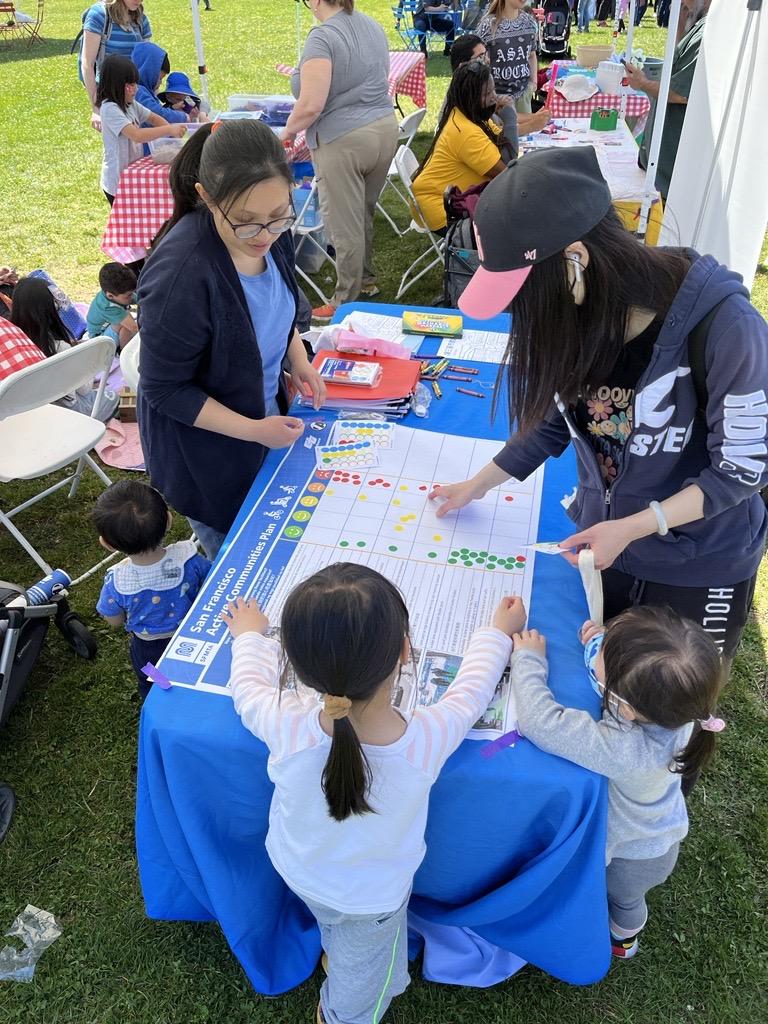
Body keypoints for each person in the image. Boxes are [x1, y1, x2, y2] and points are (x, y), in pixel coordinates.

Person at [430, 146, 768, 675]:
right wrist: (477, 484)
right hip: (608, 544)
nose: (524, 315)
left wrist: (638, 525)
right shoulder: (577, 313)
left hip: (698, 559)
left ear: (576, 259)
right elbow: (551, 421)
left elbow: (741, 469)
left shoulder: (725, 327)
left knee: (670, 698)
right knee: (609, 679)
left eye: (526, 295)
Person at [223, 563, 526, 1024]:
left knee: (337, 932)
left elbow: (247, 689)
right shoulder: (425, 737)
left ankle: (335, 954)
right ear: (407, 651)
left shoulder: (285, 721)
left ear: (294, 662)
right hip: (370, 904)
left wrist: (248, 636)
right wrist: (497, 635)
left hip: (296, 866)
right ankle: (339, 1015)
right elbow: (470, 692)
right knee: (364, 984)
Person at [137, 120, 326, 560]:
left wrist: (296, 360)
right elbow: (165, 389)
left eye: (279, 215)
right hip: (209, 458)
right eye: (245, 223)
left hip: (263, 424)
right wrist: (254, 430)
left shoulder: (270, 233)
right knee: (245, 562)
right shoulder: (180, 276)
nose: (264, 234)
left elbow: (279, 315)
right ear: (206, 197)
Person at [511, 605, 723, 958]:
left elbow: (541, 723)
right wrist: (602, 641)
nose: (598, 651)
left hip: (632, 859)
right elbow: (636, 677)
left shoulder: (624, 749)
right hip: (660, 834)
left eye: (602, 660)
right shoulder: (680, 707)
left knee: (623, 901)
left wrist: (528, 660)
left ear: (627, 709)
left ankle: (623, 940)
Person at [283, 0, 398, 320]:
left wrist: (288, 131)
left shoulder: (322, 37)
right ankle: (366, 280)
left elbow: (311, 105)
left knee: (343, 224)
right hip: (383, 129)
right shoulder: (372, 26)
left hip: (344, 138)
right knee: (362, 212)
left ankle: (345, 300)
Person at [93, 480, 211, 699]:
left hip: (148, 649)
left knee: (153, 678)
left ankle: (162, 695)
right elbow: (211, 581)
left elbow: (114, 620)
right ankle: (193, 692)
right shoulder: (189, 559)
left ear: (107, 544)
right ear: (168, 520)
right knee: (195, 668)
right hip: (193, 634)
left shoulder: (116, 581)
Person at [412, 61, 547, 233]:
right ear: (470, 96)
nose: (494, 97)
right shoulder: (465, 131)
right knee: (524, 209)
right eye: (487, 94)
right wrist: (510, 118)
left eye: (493, 90)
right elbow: (506, 172)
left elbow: (501, 140)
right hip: (443, 209)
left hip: (456, 198)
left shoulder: (469, 114)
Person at [626, 0, 711, 200]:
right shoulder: (697, 26)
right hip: (662, 166)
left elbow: (681, 94)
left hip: (673, 171)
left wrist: (643, 83)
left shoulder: (707, 33)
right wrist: (683, 19)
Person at [9, 277, 119, 420]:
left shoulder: (13, 342)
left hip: (32, 414)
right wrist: (88, 360)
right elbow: (84, 389)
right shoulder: (59, 347)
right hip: (70, 414)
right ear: (50, 309)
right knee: (113, 396)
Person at [97, 55, 186, 206]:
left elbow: (153, 118)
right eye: (129, 85)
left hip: (131, 173)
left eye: (135, 84)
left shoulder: (131, 104)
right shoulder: (110, 108)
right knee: (126, 219)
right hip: (116, 180)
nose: (135, 89)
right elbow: (136, 135)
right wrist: (169, 129)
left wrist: (171, 137)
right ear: (114, 85)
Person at [80, 0, 152, 132]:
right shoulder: (99, 15)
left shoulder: (142, 20)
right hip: (110, 97)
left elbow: (146, 64)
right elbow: (87, 64)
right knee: (119, 149)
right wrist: (96, 108)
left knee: (139, 149)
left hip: (136, 97)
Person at [477, 0, 539, 113]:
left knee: (525, 130)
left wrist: (533, 83)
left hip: (523, 95)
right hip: (496, 99)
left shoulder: (529, 21)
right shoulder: (488, 25)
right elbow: (478, 62)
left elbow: (531, 54)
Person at [131, 42, 198, 127]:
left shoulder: (144, 91)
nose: (160, 82)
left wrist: (172, 109)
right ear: (147, 72)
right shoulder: (138, 92)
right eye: (159, 78)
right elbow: (157, 113)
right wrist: (184, 117)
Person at [87, 262, 139, 348]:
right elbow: (134, 328)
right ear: (110, 295)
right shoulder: (107, 307)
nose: (132, 296)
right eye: (129, 295)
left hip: (109, 326)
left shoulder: (114, 293)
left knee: (126, 318)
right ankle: (124, 352)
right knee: (126, 325)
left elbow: (138, 299)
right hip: (100, 340)